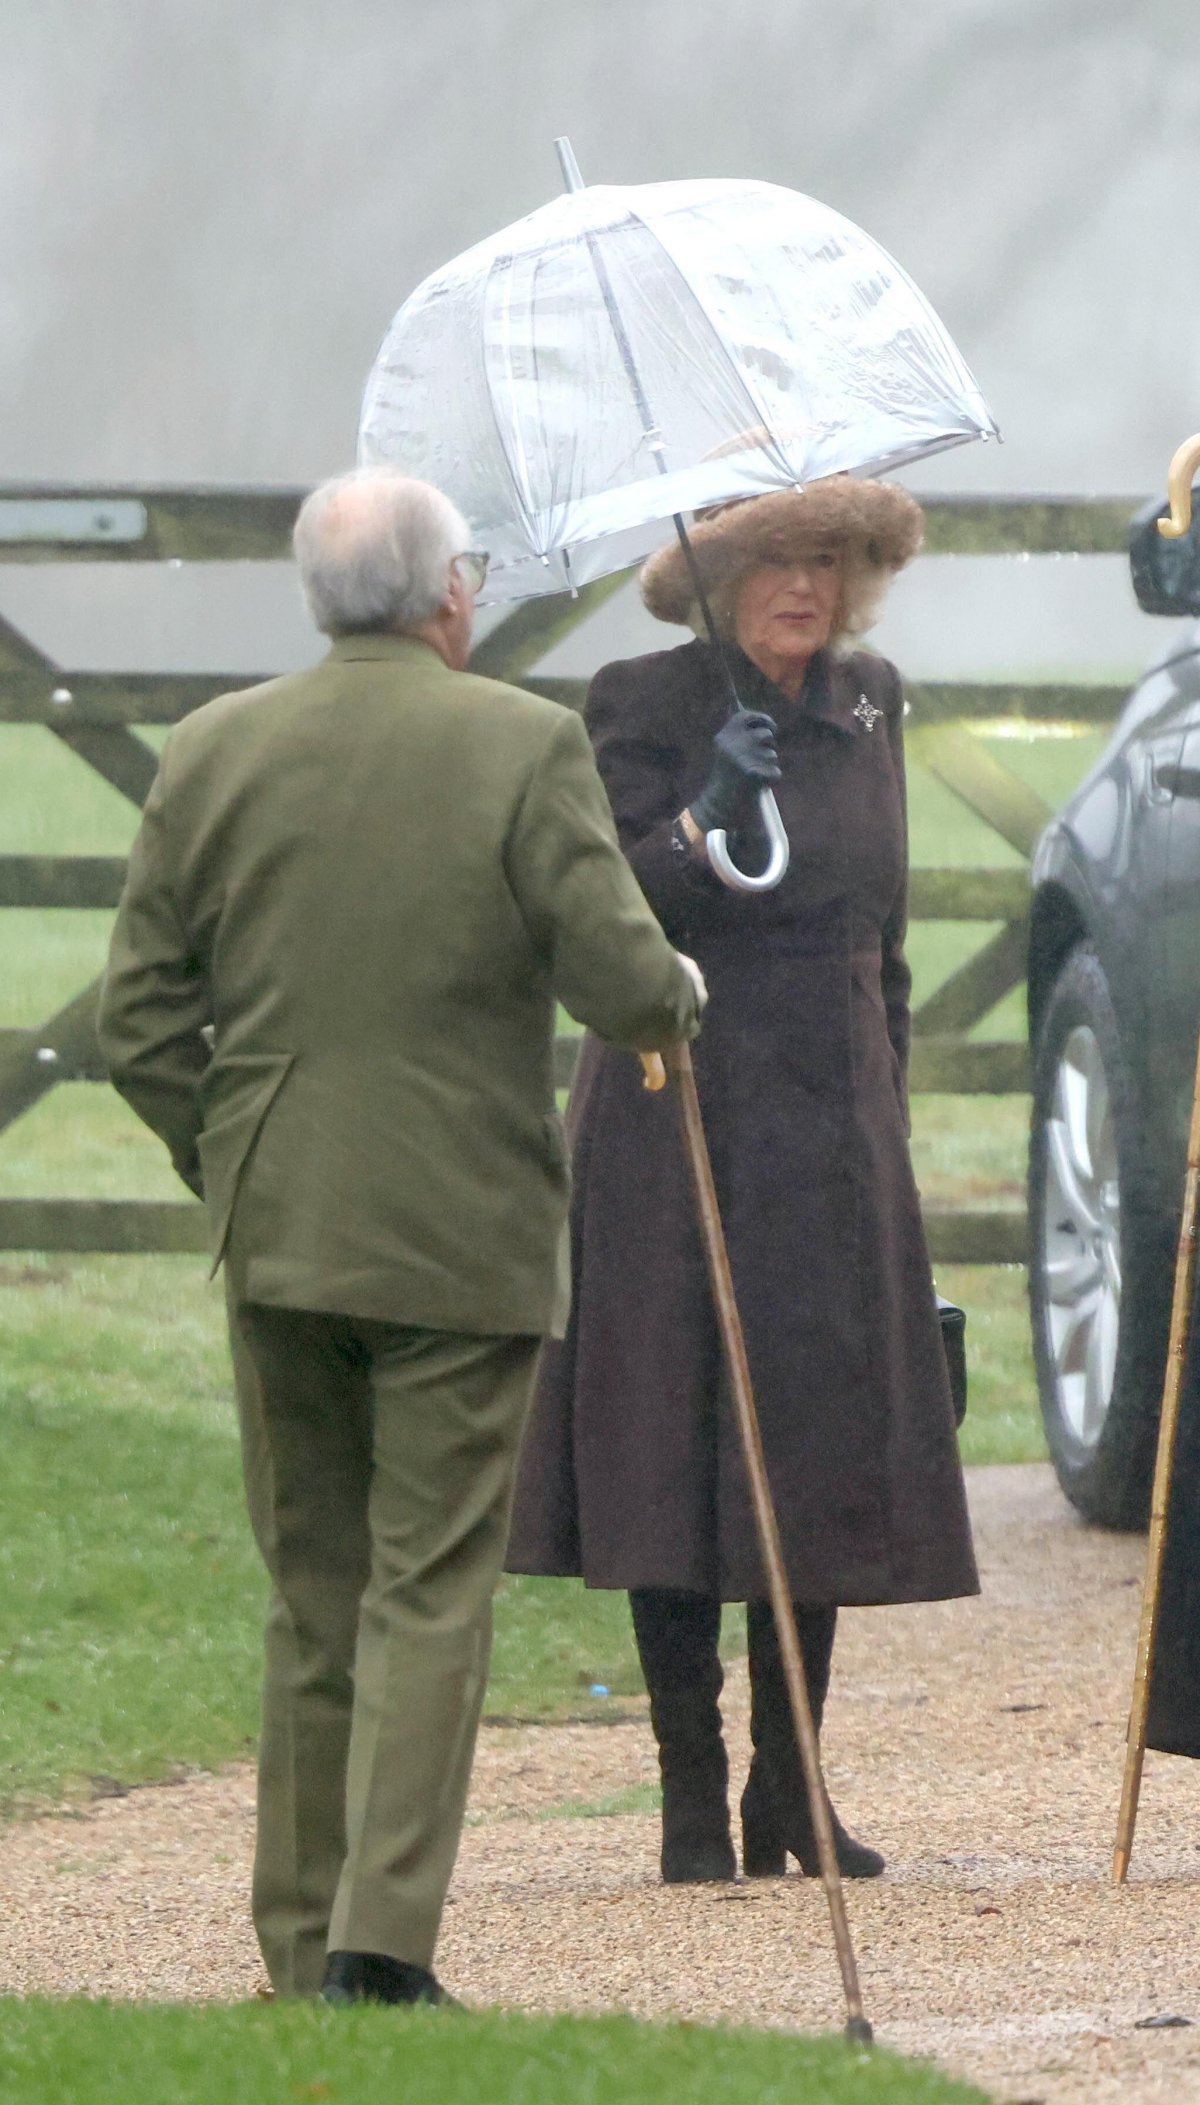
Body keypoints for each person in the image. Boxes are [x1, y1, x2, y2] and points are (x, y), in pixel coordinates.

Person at [97, 467, 704, 2005]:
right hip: (461, 1231)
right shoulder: (521, 741)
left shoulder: (214, 746)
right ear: (451, 597)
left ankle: (299, 1948)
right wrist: (681, 992)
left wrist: (227, 1153)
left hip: (281, 1223)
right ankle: (383, 1944)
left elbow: (142, 1018)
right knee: (428, 1584)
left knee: (314, 1596)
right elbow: (622, 980)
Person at [506, 472, 979, 1884]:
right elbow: (613, 914)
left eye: (832, 562)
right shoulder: (640, 702)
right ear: (715, 578)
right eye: (777, 562)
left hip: (831, 1125)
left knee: (815, 1442)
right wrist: (706, 816)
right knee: (674, 1426)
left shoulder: (869, 698)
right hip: (679, 1103)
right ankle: (692, 1793)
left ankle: (793, 1785)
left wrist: (885, 1093)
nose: (805, 589)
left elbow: (879, 929)